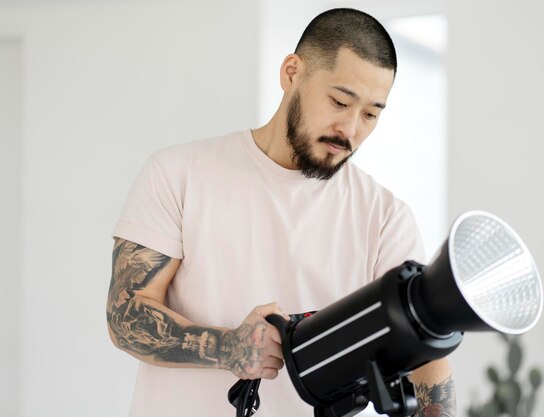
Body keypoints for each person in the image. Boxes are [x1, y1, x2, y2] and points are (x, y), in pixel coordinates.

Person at [107, 8, 456, 417]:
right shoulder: (178, 173)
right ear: (292, 73)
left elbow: (424, 353)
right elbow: (124, 313)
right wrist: (229, 348)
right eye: (339, 101)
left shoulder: (385, 217)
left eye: (371, 114)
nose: (351, 129)